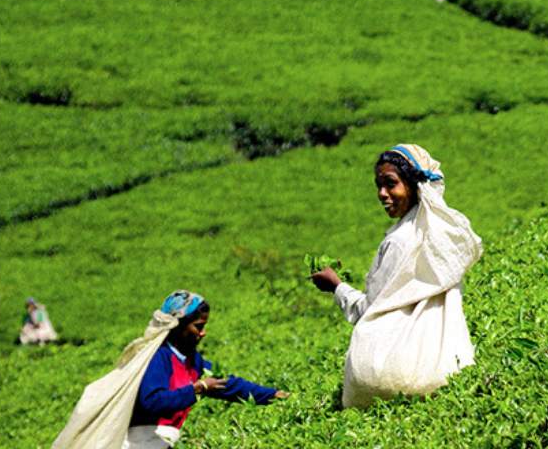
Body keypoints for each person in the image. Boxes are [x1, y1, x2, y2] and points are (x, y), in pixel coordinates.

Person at [311, 144, 482, 409]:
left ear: (413, 185)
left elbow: (370, 309)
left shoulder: (399, 242)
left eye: (391, 184)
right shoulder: (443, 234)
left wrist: (336, 287)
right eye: (378, 185)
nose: (382, 194)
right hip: (446, 369)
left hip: (387, 376)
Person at [51, 291, 287, 449]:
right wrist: (196, 389)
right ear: (178, 326)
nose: (203, 333)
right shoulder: (158, 358)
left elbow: (226, 385)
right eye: (198, 327)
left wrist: (273, 396)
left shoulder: (193, 361)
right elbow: (152, 400)